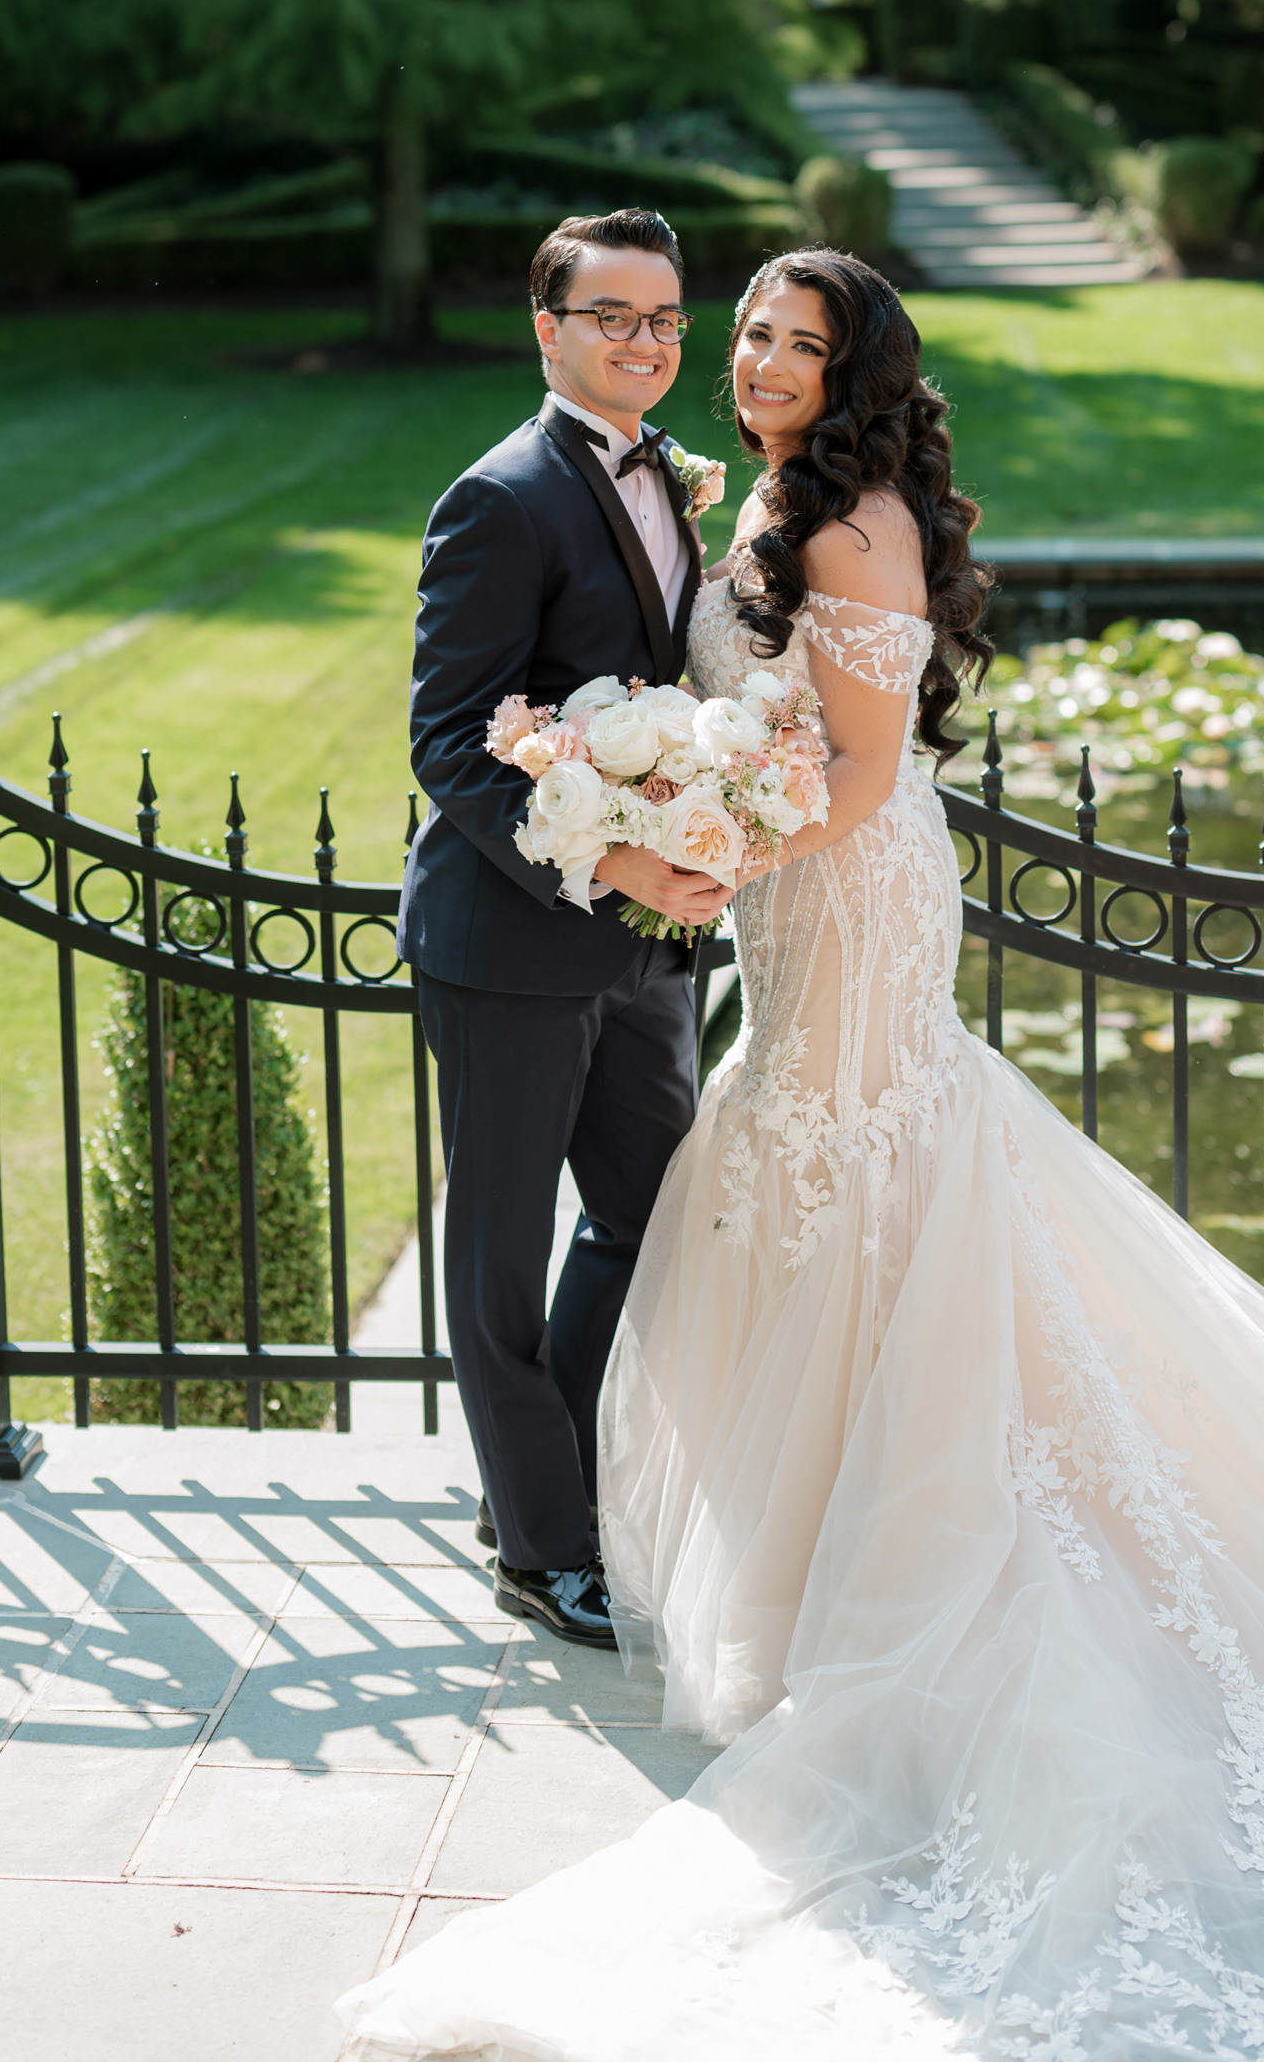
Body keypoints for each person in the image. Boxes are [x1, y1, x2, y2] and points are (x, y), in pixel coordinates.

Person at [349, 250, 1264, 2059]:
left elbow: (851, 774)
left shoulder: (855, 526)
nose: (746, 357)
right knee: (781, 1187)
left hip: (844, 892)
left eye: (788, 340)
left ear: (855, 373)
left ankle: (933, 1543)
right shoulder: (728, 490)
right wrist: (650, 801)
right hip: (770, 900)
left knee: (857, 1169)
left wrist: (701, 843)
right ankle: (775, 1538)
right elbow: (619, 715)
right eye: (741, 329)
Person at [396, 206, 724, 1651]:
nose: (643, 342)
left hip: (644, 954)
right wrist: (614, 875)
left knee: (652, 1222)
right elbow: (454, 746)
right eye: (612, 318)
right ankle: (541, 1546)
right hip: (515, 944)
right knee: (498, 1255)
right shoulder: (502, 498)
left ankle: (533, 1478)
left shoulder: (673, 484)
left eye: (663, 320)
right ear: (549, 330)